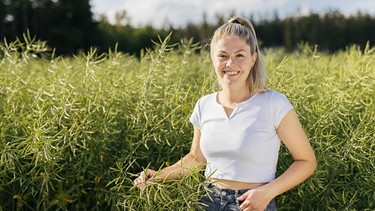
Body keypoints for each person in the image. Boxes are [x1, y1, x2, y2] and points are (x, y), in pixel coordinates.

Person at [133, 16, 317, 211]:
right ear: (212, 57)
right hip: (209, 201)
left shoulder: (274, 103)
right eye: (223, 55)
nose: (230, 63)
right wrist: (158, 176)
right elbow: (196, 159)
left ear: (253, 58)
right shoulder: (204, 105)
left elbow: (306, 161)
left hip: (253, 204)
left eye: (239, 55)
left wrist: (267, 192)